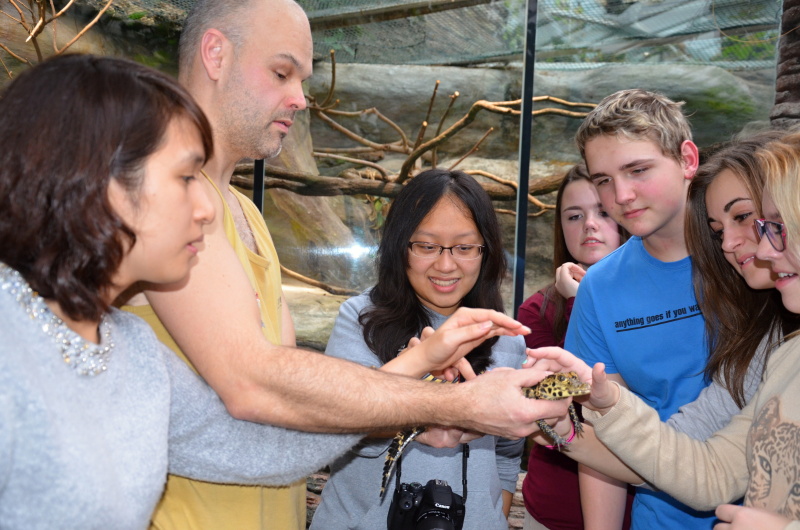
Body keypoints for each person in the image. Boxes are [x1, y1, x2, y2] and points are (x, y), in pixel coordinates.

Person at [119, 0, 578, 527]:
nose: (300, 98)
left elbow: (295, 414)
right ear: (215, 54)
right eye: (282, 72)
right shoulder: (168, 204)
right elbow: (254, 384)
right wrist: (457, 403)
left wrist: (424, 363)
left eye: (303, 80)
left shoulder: (244, 212)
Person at [0, 53, 368, 528]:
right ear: (100, 180)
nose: (207, 208)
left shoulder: (133, 349)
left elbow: (256, 449)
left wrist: (418, 385)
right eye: (186, 177)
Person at [547, 130, 800, 530]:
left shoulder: (775, 337)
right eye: (718, 230)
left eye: (749, 219)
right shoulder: (784, 353)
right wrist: (570, 422)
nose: (732, 244)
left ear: (686, 159)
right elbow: (709, 468)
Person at [310, 169, 525, 529]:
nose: (446, 264)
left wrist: (490, 515)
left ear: (486, 251)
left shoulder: (507, 337)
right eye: (426, 246)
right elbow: (336, 427)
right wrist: (414, 373)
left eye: (464, 247)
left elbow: (507, 451)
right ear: (400, 246)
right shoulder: (358, 320)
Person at [563, 88, 718, 529]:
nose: (622, 195)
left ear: (687, 159)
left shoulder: (748, 257)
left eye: (637, 170)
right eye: (603, 180)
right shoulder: (599, 288)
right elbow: (602, 432)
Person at [517, 164, 632, 530]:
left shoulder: (650, 304)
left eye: (603, 211)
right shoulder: (536, 310)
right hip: (555, 506)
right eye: (574, 215)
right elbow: (567, 399)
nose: (589, 225)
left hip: (644, 504)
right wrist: (577, 304)